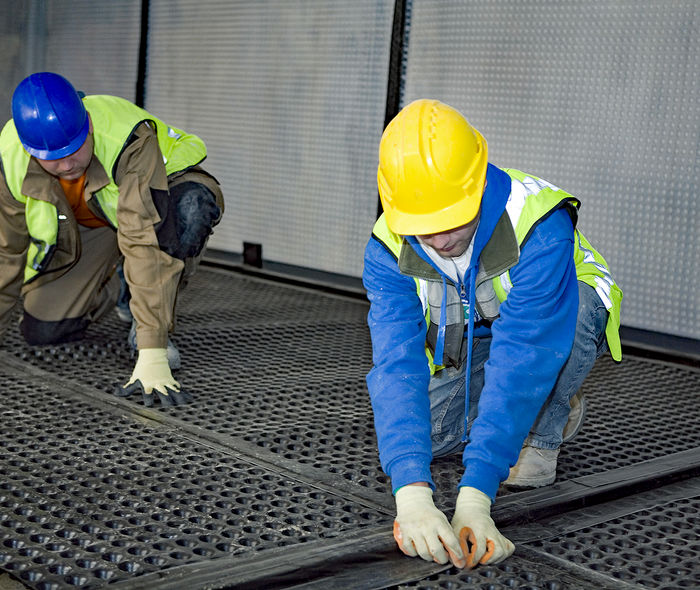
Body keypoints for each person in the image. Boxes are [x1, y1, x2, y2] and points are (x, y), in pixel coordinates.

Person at [363, 99, 622, 569]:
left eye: (453, 219)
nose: (440, 241)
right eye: (424, 227)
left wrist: (475, 497)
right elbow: (395, 362)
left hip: (550, 325)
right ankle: (521, 406)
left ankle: (544, 424)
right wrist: (412, 494)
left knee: (569, 323)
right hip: (474, 338)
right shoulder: (387, 246)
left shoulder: (538, 224)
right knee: (435, 442)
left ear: (479, 181)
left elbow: (526, 349)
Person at [0, 72, 223, 407]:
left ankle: (148, 316)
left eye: (74, 149)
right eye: (52, 158)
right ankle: (122, 289)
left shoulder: (127, 137)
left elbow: (141, 235)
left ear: (87, 125)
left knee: (191, 208)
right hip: (99, 223)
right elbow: (7, 251)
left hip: (160, 206)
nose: (66, 164)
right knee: (43, 331)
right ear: (30, 149)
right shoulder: (11, 154)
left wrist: (152, 350)